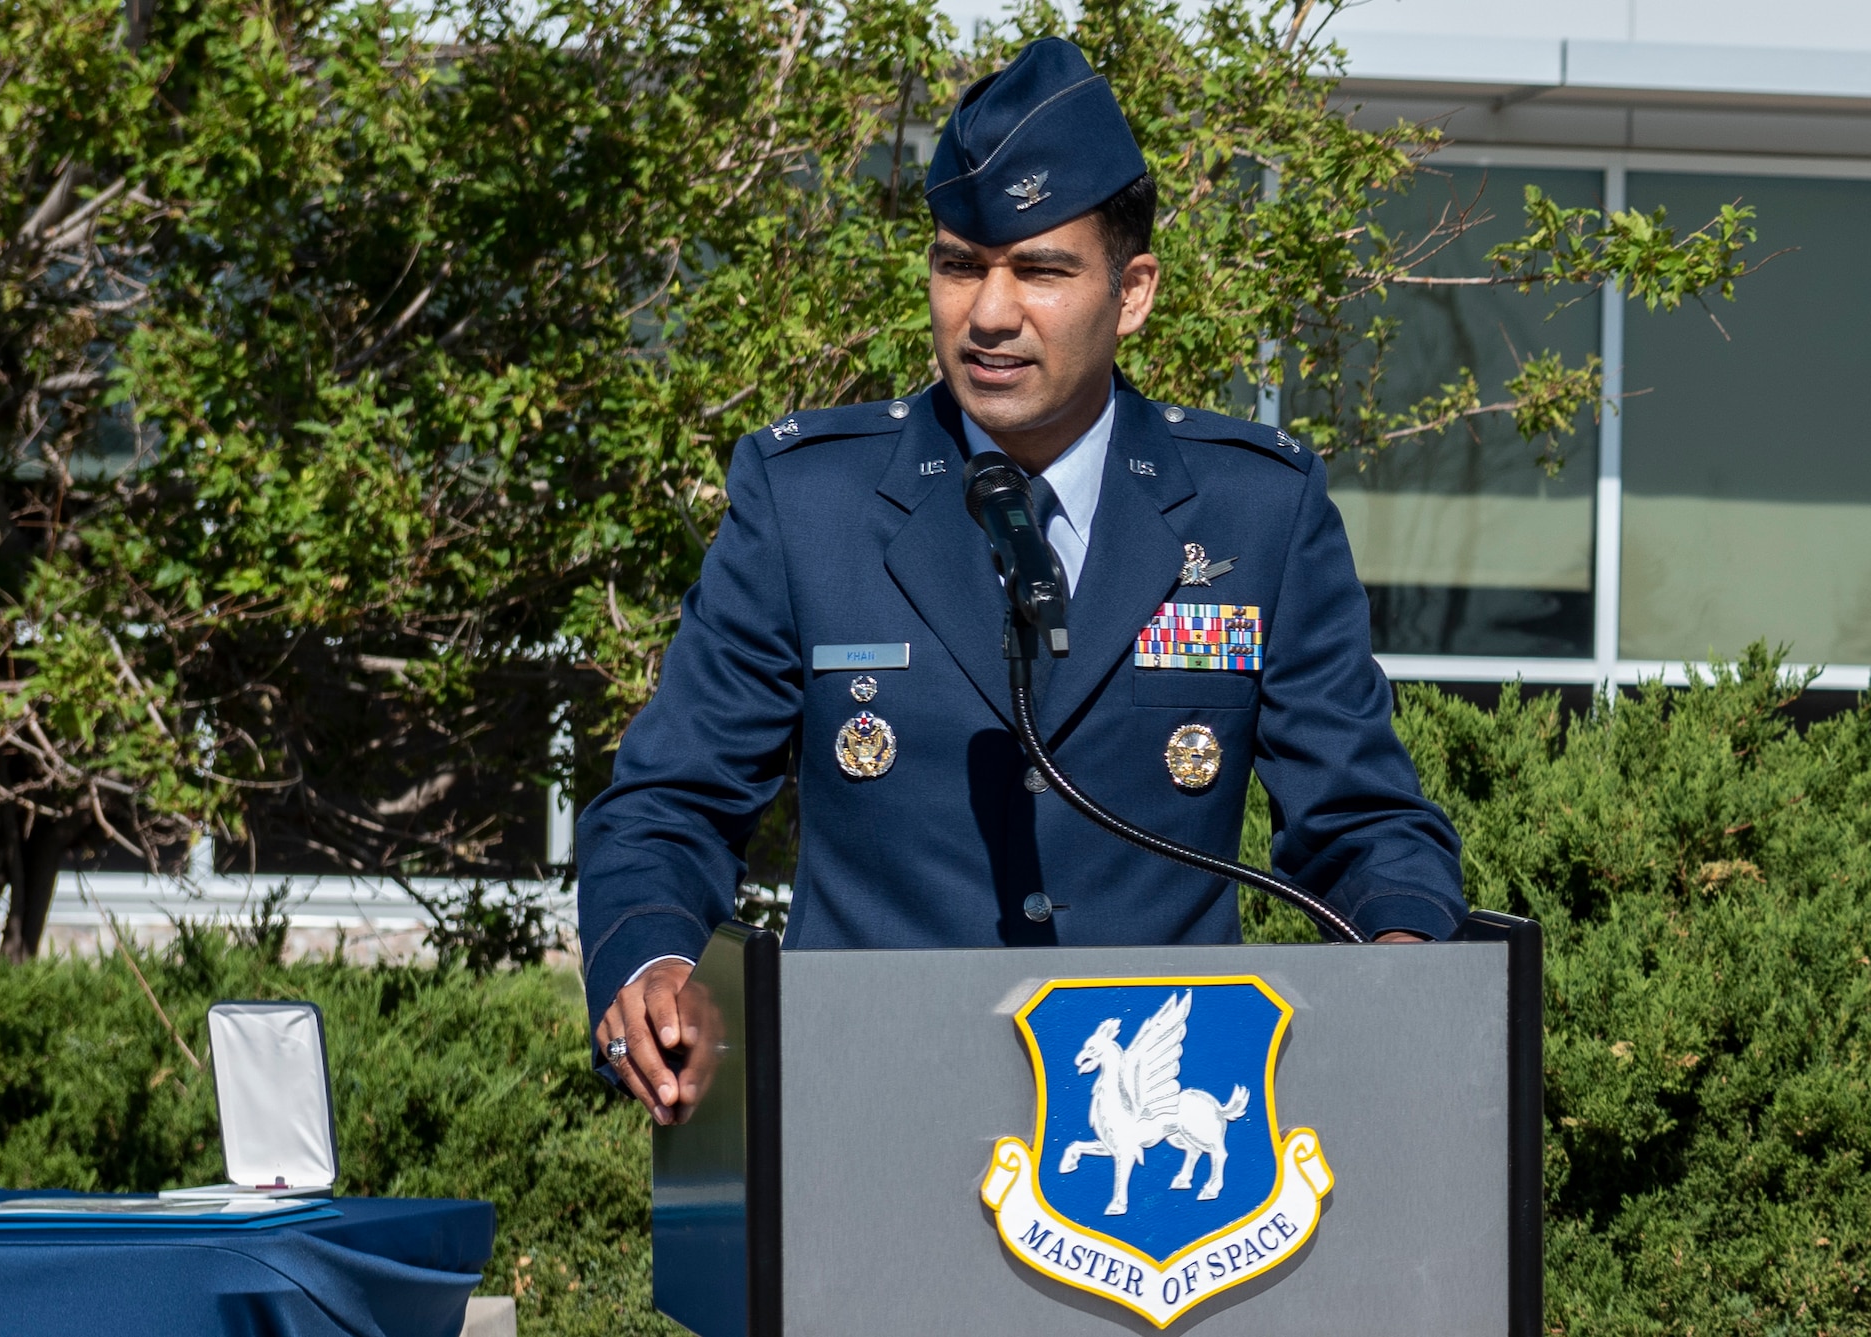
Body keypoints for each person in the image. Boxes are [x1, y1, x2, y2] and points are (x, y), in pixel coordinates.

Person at [576, 37, 1465, 1122]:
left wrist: (1405, 966)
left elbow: (1363, 822)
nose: (987, 313)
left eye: (1038, 270)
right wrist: (651, 961)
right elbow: (669, 801)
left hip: (1149, 1180)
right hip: (864, 1125)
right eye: (959, 265)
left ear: (1130, 292)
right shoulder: (810, 502)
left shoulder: (1253, 511)